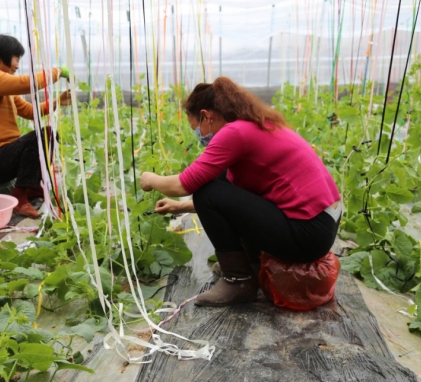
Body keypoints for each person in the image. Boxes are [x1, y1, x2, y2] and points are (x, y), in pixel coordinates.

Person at [139, 77, 341, 307]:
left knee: (208, 191)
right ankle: (247, 264)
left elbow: (184, 185)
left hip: (309, 234)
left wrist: (150, 179)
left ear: (206, 115)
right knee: (220, 179)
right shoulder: (254, 125)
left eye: (196, 127)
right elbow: (238, 199)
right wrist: (180, 206)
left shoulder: (234, 133)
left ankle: (239, 280)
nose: (198, 134)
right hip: (321, 222)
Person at [0, 34, 71, 218]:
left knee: (48, 134)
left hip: (0, 158)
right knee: (43, 134)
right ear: (2, 57)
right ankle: (21, 196)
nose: (17, 64)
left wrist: (57, 102)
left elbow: (30, 111)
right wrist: (59, 71)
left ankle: (30, 187)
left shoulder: (2, 86)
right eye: (16, 58)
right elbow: (28, 84)